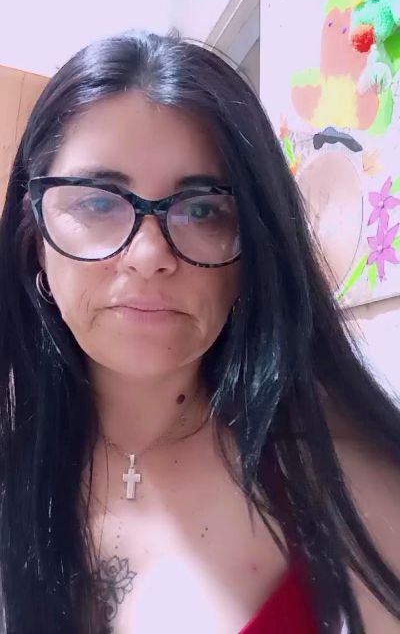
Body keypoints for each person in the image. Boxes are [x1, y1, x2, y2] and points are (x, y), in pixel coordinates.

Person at [0, 31, 399, 634]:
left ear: (254, 251)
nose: (148, 256)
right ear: (36, 241)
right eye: (98, 203)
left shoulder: (340, 484)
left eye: (203, 209)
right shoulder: (16, 459)